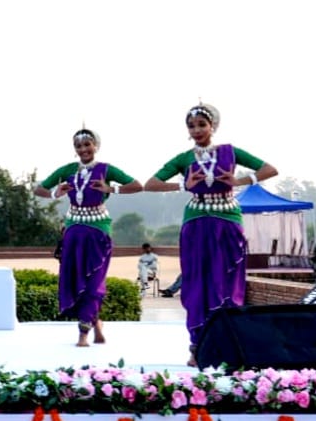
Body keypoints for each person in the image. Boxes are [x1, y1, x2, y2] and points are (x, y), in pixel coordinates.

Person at [143, 103, 278, 364]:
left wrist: (239, 181)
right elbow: (151, 184)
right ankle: (196, 348)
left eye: (201, 125)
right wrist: (183, 184)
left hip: (227, 219)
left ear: (213, 126)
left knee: (226, 282)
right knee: (197, 284)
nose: (196, 130)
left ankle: (226, 344)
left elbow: (270, 169)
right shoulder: (184, 158)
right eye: (191, 126)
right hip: (196, 222)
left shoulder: (230, 152)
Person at [33, 128, 142, 346]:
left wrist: (110, 189)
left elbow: (137, 185)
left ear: (96, 146)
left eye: (87, 145)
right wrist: (55, 193)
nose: (83, 149)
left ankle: (83, 333)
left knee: (93, 281)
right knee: (76, 281)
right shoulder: (68, 170)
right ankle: (96, 324)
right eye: (78, 146)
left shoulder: (106, 169)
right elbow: (38, 189)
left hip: (98, 230)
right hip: (74, 229)